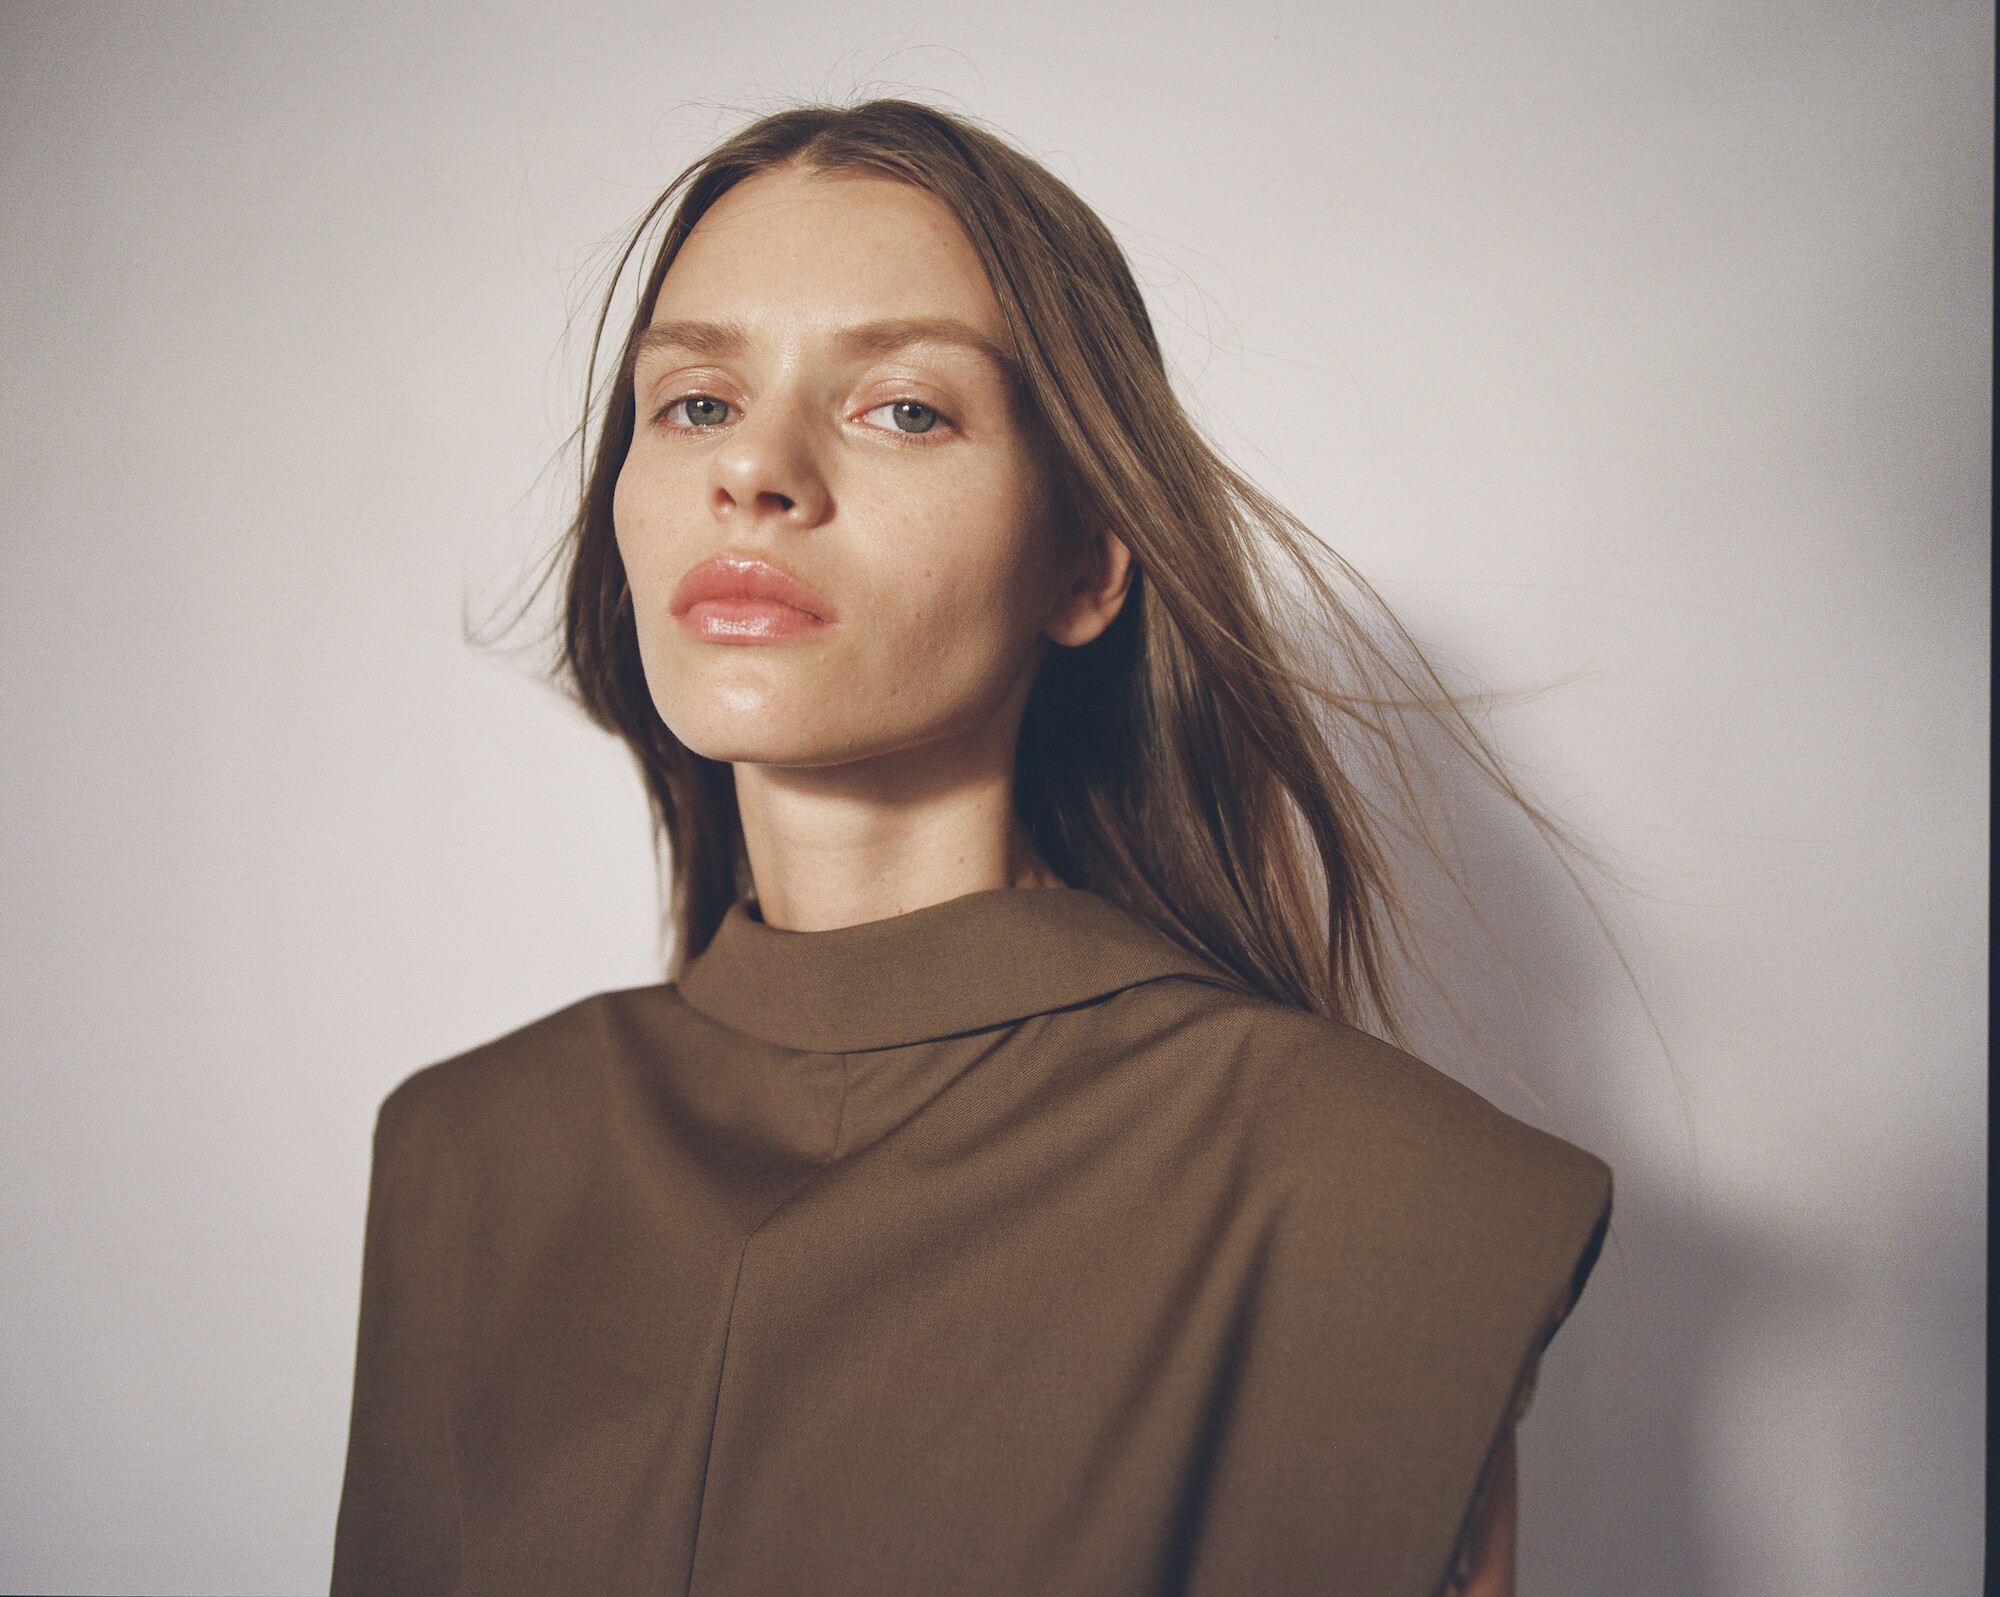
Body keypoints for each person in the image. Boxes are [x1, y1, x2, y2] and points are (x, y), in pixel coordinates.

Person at [330, 100, 1610, 1597]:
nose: (756, 471)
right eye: (695, 402)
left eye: (904, 409)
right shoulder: (462, 1160)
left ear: (1087, 563)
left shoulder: (1379, 1206)